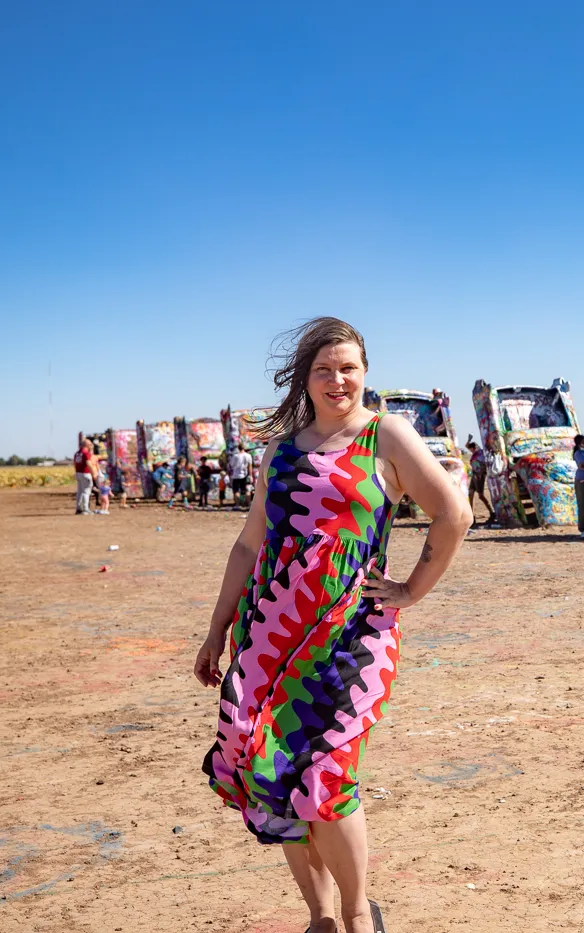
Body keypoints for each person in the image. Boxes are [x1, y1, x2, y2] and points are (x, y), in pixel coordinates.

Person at [194, 317, 471, 933]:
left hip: (350, 636)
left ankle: (356, 912)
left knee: (328, 773)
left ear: (365, 372)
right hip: (268, 634)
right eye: (323, 369)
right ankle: (320, 916)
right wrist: (217, 631)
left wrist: (410, 590)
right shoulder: (282, 449)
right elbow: (248, 546)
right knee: (273, 768)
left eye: (348, 367)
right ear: (306, 378)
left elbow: (452, 514)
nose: (337, 380)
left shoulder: (386, 437)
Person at [465, 440, 492, 526]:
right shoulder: (475, 454)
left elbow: (485, 465)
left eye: (472, 449)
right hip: (474, 476)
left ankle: (492, 512)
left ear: (475, 447)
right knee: (470, 494)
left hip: (479, 476)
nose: (471, 451)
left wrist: (481, 473)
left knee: (481, 496)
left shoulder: (481, 454)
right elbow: (466, 446)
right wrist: (468, 440)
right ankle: (472, 517)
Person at [73, 438, 99, 514]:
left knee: (80, 491)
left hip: (78, 473)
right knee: (86, 491)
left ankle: (79, 508)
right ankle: (85, 509)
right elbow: (88, 463)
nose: (91, 445)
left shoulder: (77, 453)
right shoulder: (86, 453)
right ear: (87, 445)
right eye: (90, 444)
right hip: (85, 473)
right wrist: (94, 473)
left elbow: (75, 463)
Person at [228, 444, 254, 510]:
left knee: (236, 491)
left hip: (236, 475)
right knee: (247, 490)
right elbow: (250, 466)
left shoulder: (235, 456)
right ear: (244, 448)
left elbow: (231, 465)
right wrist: (251, 476)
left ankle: (237, 505)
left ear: (238, 448)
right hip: (245, 475)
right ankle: (249, 505)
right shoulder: (248, 456)